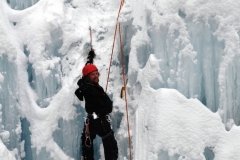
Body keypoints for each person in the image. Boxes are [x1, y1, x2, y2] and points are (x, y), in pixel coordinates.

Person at [75, 49, 118, 160]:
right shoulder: (89, 87)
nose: (96, 76)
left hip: (92, 121)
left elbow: (86, 72)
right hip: (100, 122)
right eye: (93, 75)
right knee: (111, 148)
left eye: (96, 73)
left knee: (87, 144)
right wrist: (83, 86)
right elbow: (82, 91)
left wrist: (90, 59)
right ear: (88, 77)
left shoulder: (89, 84)